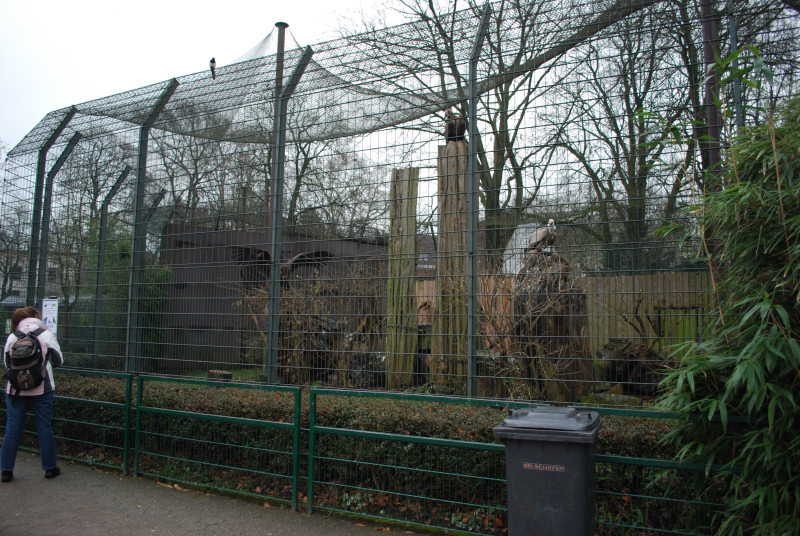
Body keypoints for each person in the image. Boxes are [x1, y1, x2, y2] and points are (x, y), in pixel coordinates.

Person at [1, 306, 64, 482]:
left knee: (12, 427)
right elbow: (58, 361)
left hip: (15, 390)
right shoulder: (45, 335)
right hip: (42, 389)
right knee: (44, 426)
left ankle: (6, 471)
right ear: (36, 317)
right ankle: (50, 468)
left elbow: (7, 363)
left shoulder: (13, 337)